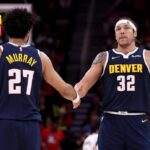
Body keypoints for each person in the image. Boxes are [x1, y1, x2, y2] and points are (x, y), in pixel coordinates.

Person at [0, 8, 80, 150]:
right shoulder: (40, 57)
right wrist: (76, 96)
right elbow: (64, 89)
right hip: (30, 124)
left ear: (6, 30)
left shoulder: (1, 52)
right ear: (28, 32)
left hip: (5, 121)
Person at [75, 18, 150, 150]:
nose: (122, 31)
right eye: (118, 29)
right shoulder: (104, 57)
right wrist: (76, 93)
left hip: (138, 119)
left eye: (126, 28)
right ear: (115, 35)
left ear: (135, 33)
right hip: (111, 120)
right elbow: (83, 85)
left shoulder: (147, 56)